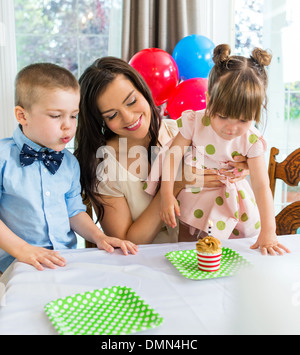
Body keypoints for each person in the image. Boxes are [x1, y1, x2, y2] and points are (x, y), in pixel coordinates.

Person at [74, 56, 249, 245]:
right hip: (146, 266)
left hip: (201, 257)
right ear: (101, 120)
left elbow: (230, 152)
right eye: (112, 115)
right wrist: (174, 186)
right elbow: (125, 243)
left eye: (132, 101)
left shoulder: (181, 131)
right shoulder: (105, 167)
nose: (128, 117)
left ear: (143, 91)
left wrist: (241, 165)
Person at [148, 44, 290, 256]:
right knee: (187, 252)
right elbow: (172, 156)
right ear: (209, 98)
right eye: (223, 116)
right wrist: (167, 194)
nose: (231, 127)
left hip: (232, 206)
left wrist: (269, 231)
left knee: (232, 256)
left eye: (243, 119)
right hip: (194, 200)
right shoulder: (194, 121)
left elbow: (261, 186)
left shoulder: (251, 140)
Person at [0, 63, 138, 274]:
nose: (68, 126)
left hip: (63, 261)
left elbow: (74, 212)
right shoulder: (3, 158)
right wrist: (24, 250)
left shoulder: (69, 163)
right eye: (56, 116)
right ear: (22, 116)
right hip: (17, 265)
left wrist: (99, 237)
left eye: (73, 116)